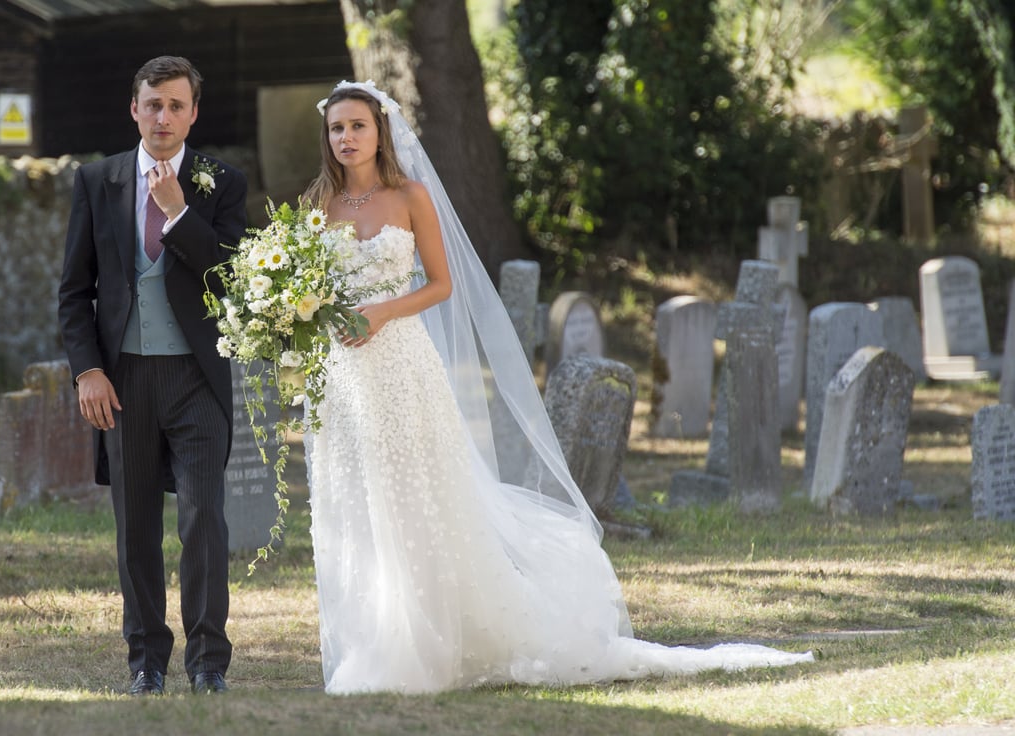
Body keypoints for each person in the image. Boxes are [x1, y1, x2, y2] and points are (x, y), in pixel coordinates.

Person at [303, 81, 813, 694]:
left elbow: (441, 285)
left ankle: (426, 642)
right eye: (337, 129)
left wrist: (384, 311)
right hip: (343, 374)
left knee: (415, 495)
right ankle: (374, 640)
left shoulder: (409, 196)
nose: (346, 138)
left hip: (402, 365)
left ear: (379, 131)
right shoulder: (319, 205)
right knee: (356, 499)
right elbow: (308, 287)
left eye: (357, 125)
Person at [57, 56, 248, 696]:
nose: (163, 117)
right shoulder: (96, 181)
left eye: (175, 105)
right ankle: (146, 660)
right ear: (133, 108)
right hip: (124, 382)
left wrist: (178, 213)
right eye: (152, 105)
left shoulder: (221, 182)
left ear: (193, 112)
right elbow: (74, 293)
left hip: (198, 379)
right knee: (135, 525)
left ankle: (207, 665)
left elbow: (232, 277)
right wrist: (87, 370)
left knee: (203, 520)